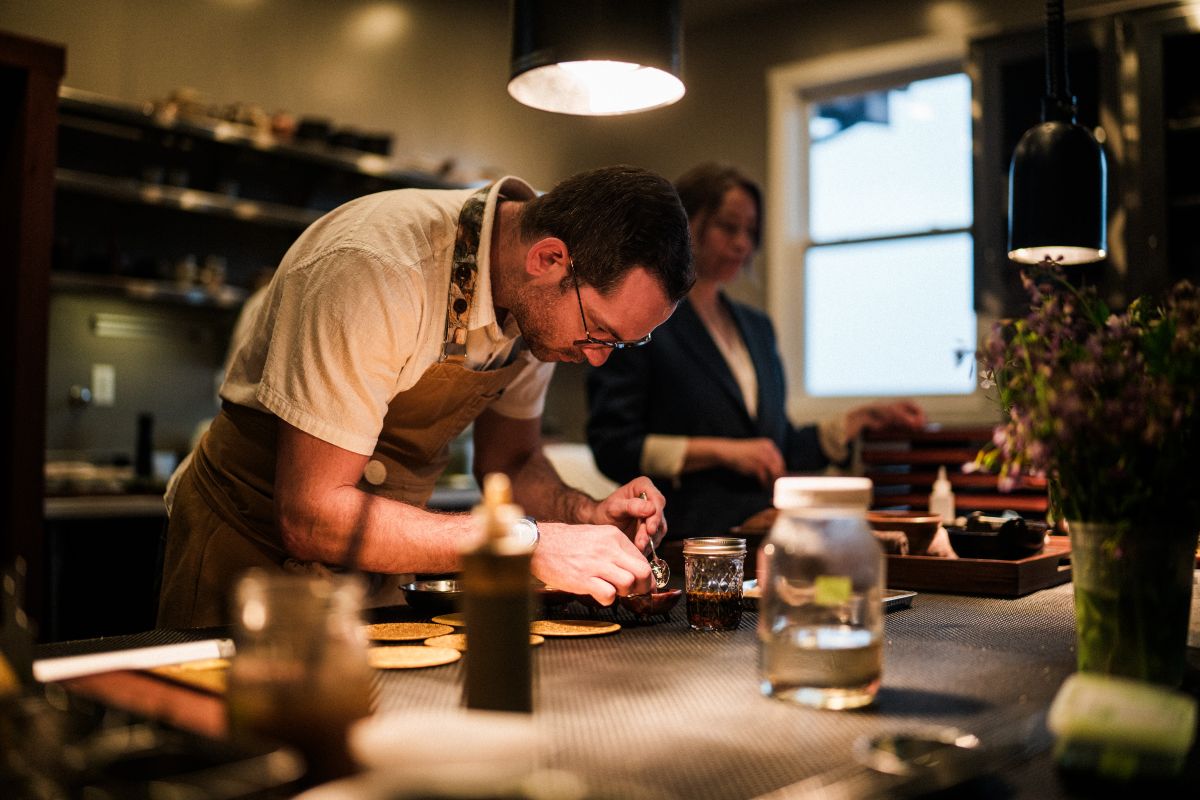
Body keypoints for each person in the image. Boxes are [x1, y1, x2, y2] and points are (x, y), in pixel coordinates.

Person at [158, 165, 694, 627]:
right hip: (248, 549)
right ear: (549, 259)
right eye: (599, 331)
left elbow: (511, 461)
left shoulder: (544, 315)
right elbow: (311, 514)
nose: (598, 357)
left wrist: (583, 513)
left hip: (377, 566)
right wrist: (526, 540)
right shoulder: (375, 267)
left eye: (621, 343)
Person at [586, 163, 926, 538]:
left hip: (768, 527)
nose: (742, 243)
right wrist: (725, 452)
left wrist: (859, 420)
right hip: (686, 535)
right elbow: (614, 446)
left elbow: (777, 448)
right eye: (728, 227)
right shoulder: (645, 320)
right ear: (685, 224)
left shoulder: (757, 328)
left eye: (750, 232)